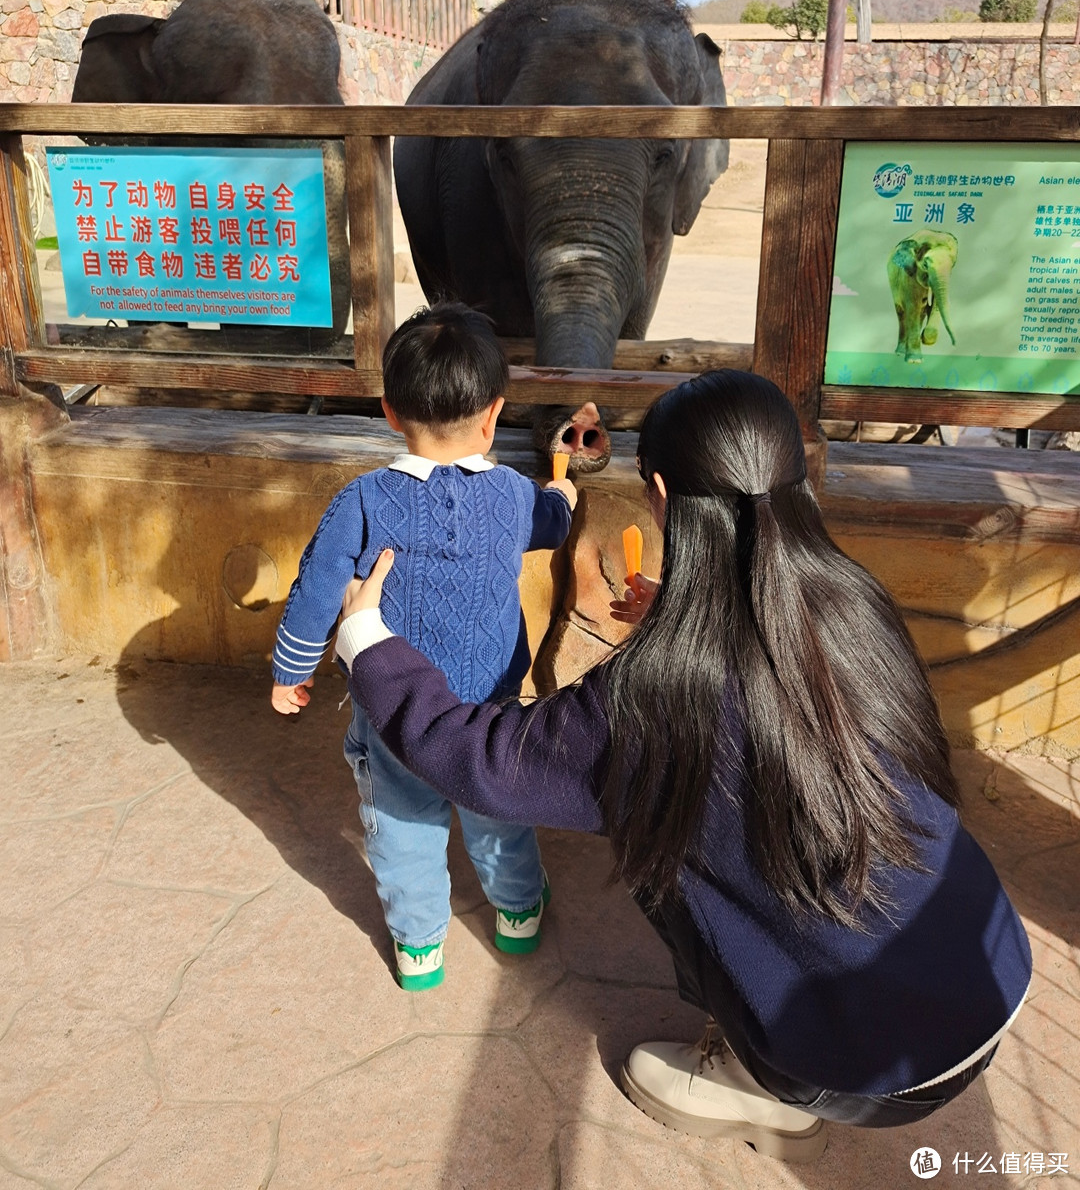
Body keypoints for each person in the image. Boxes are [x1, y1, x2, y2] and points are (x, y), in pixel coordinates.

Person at [332, 369, 1031, 1161]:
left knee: (654, 833)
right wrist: (675, 605)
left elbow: (479, 762)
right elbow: (763, 637)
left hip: (859, 1069)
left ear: (659, 494)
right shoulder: (853, 601)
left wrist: (371, 643)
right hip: (992, 979)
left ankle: (758, 1085)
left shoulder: (652, 701)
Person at [271, 302, 576, 990]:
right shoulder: (512, 498)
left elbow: (315, 593)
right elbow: (553, 523)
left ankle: (418, 950)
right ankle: (518, 915)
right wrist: (562, 487)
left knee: (400, 825)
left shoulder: (362, 499)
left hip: (393, 712)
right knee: (497, 808)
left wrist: (290, 671)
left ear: (389, 410)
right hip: (492, 709)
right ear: (494, 414)